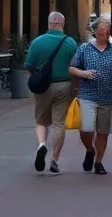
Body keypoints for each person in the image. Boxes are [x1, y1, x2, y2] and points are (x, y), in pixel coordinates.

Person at [69, 17, 112, 175]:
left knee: (103, 131)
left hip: (108, 97)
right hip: (87, 95)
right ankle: (90, 150)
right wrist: (84, 73)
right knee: (86, 128)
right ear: (95, 32)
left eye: (108, 30)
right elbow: (72, 68)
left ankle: (98, 162)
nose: (106, 33)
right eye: (102, 30)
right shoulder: (84, 49)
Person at [25, 11, 77, 174]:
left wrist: (37, 74)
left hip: (43, 87)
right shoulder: (70, 43)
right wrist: (76, 86)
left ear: (49, 24)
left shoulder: (37, 42)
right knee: (58, 123)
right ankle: (55, 159)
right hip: (64, 85)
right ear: (63, 23)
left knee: (41, 120)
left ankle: (41, 144)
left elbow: (28, 65)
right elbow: (76, 66)